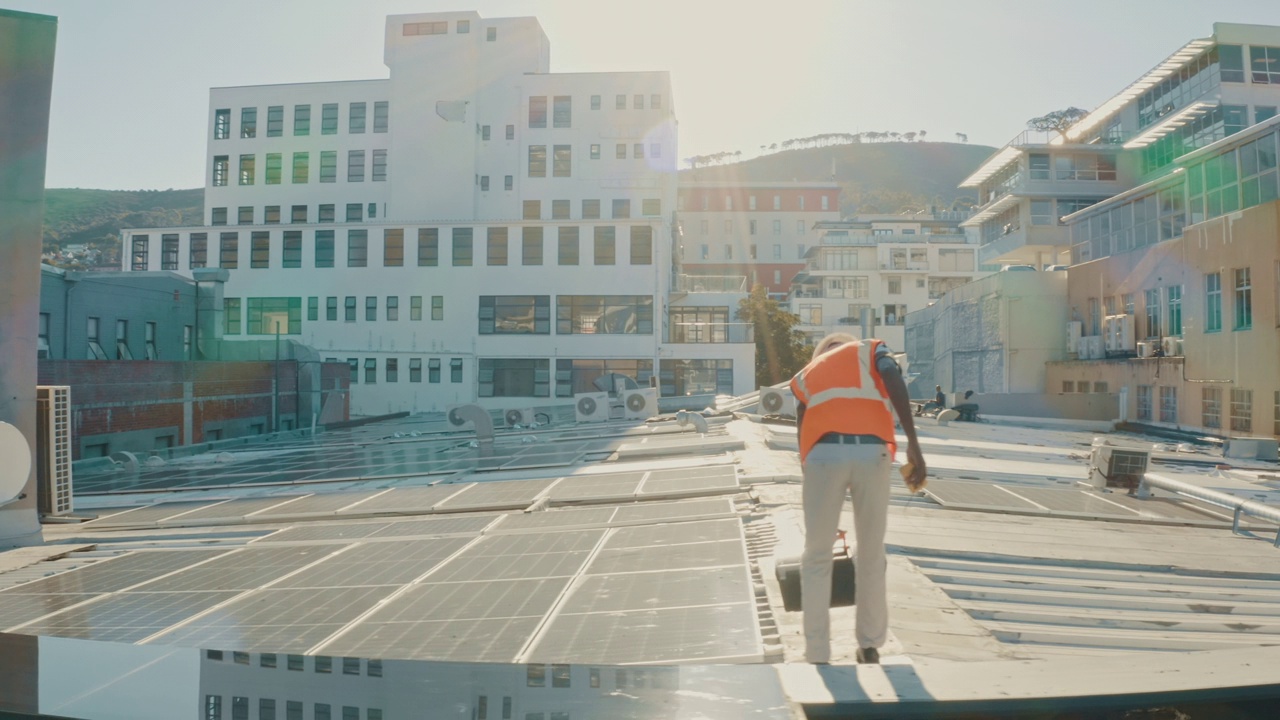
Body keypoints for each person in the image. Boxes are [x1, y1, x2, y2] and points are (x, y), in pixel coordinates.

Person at [790, 332, 926, 665]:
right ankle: (869, 646)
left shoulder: (809, 374)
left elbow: (801, 425)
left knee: (817, 555)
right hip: (871, 453)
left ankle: (817, 653)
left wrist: (815, 481)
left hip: (822, 456)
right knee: (871, 552)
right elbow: (892, 374)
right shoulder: (870, 350)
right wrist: (913, 442)